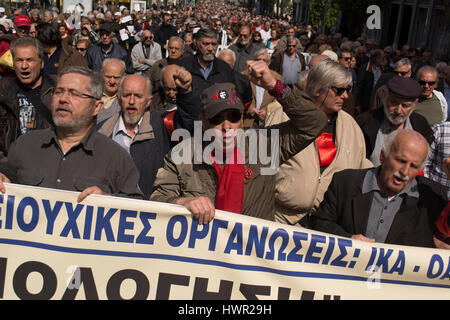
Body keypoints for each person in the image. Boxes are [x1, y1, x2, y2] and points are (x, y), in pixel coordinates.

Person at [150, 60, 328, 224]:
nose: (226, 126)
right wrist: (183, 202)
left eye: (233, 117)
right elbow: (158, 200)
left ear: (242, 120)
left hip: (252, 253)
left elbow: (314, 123)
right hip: (203, 253)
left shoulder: (264, 145)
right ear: (203, 123)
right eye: (217, 118)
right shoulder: (181, 155)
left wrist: (274, 86)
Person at [0, 66, 143, 201]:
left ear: (96, 107)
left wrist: (108, 201)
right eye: (59, 91)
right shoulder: (25, 145)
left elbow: (137, 209)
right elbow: (6, 176)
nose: (63, 99)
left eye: (74, 94)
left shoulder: (116, 157)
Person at [266, 58, 372, 226]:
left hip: (326, 225)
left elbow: (361, 169)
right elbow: (263, 167)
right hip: (280, 219)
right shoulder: (281, 116)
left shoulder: (351, 126)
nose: (345, 96)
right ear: (318, 89)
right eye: (339, 90)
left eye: (348, 89)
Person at [311, 129, 447, 248]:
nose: (404, 172)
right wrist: (348, 240)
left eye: (413, 166)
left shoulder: (432, 198)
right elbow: (319, 224)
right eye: (401, 161)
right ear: (382, 156)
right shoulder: (346, 182)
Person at [97, 66, 198, 198]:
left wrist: (186, 92)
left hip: (150, 210)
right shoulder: (100, 131)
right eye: (127, 95)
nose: (132, 101)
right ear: (119, 99)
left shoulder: (163, 124)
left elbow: (189, 123)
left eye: (138, 96)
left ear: (148, 102)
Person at [177, 27, 249, 131]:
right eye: (206, 44)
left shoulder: (225, 69)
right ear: (196, 44)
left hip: (216, 131)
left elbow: (234, 98)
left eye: (214, 44)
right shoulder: (183, 66)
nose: (210, 48)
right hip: (188, 129)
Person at [356, 76, 434, 166]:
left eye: (405, 106)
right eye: (393, 103)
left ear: (414, 104)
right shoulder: (365, 123)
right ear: (385, 97)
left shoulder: (421, 125)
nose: (398, 110)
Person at [0, 37, 54, 160]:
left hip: (48, 164)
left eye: (30, 60)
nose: (24, 66)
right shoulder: (3, 91)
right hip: (12, 164)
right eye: (19, 60)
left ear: (41, 63)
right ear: (13, 63)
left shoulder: (58, 90)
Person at [242, 48, 281, 128]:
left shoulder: (277, 78)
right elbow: (239, 96)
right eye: (258, 60)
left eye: (264, 60)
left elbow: (279, 99)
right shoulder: (244, 76)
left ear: (268, 63)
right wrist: (250, 109)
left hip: (267, 121)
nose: (261, 63)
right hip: (247, 120)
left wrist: (267, 111)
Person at [148, 36, 185, 110]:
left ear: (182, 51)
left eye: (176, 48)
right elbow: (148, 86)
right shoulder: (158, 65)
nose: (173, 51)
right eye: (171, 48)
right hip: (159, 107)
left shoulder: (189, 66)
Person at [354, 49, 385, 114]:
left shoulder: (383, 69)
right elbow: (358, 87)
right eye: (382, 58)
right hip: (365, 101)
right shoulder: (365, 68)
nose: (384, 60)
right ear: (376, 58)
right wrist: (357, 104)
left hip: (377, 100)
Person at [96, 58, 125, 123]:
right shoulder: (92, 94)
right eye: (108, 77)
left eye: (116, 77)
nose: (112, 81)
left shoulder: (126, 99)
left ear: (123, 76)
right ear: (101, 74)